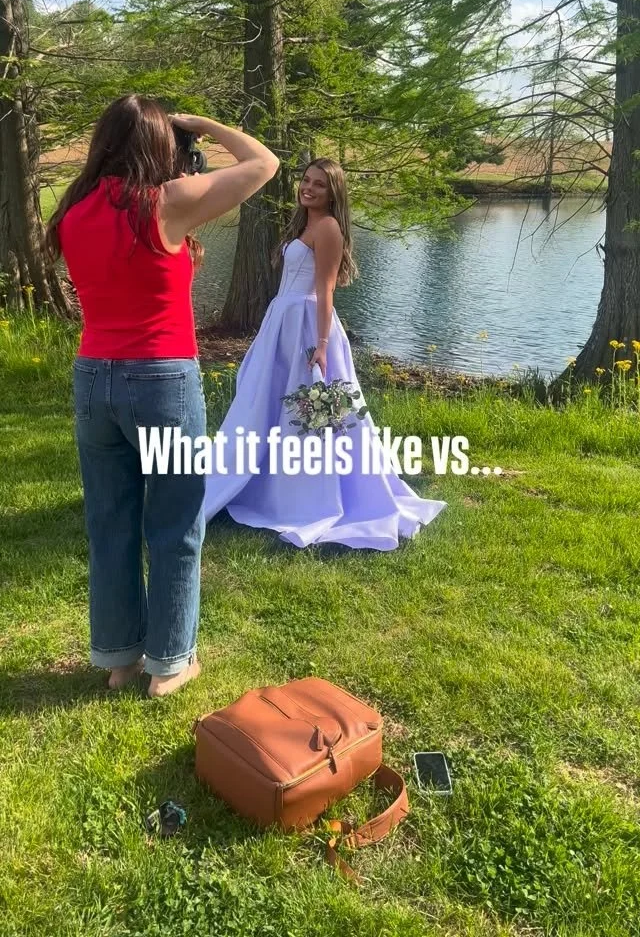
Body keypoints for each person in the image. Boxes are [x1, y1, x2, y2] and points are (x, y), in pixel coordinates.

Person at [45, 97, 279, 697]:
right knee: (175, 523)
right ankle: (170, 663)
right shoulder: (163, 203)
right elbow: (264, 164)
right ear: (157, 144)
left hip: (93, 377)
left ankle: (119, 659)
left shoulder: (74, 210)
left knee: (110, 523)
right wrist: (203, 125)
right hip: (161, 380)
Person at [203, 158, 446, 548]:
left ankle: (312, 495)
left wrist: (320, 345)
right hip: (282, 323)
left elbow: (325, 290)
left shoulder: (329, 227)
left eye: (319, 184)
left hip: (307, 326)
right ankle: (261, 484)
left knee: (311, 415)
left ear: (333, 192)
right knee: (265, 403)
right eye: (306, 180)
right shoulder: (305, 225)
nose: (308, 188)